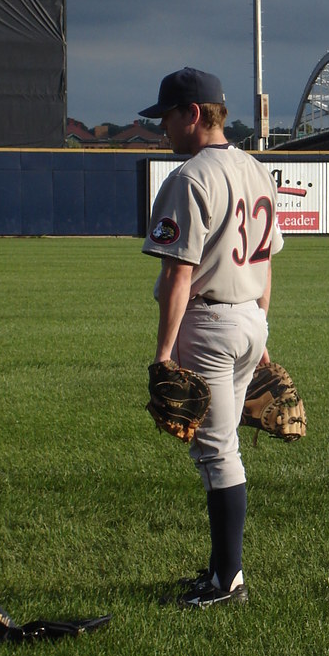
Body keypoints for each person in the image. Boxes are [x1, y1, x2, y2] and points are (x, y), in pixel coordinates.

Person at [140, 67, 283, 608]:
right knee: (221, 447)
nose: (164, 129)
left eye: (169, 117)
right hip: (249, 315)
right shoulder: (256, 170)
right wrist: (261, 330)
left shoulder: (189, 178)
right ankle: (220, 570)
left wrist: (162, 354)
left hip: (210, 322)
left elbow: (180, 274)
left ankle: (229, 583)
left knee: (219, 453)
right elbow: (267, 262)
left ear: (194, 115)